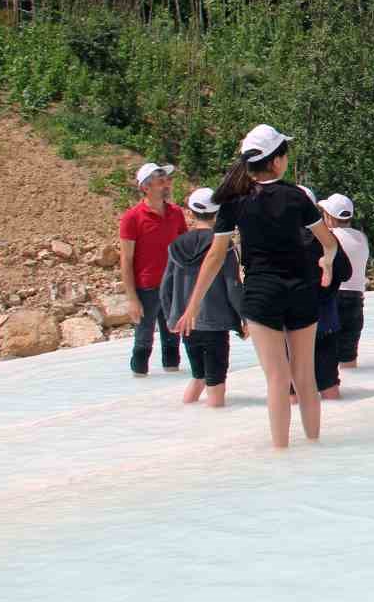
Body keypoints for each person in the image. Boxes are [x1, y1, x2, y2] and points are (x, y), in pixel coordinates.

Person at [174, 125, 339, 449]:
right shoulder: (297, 197)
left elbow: (214, 257)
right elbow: (328, 242)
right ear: (276, 161)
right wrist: (327, 262)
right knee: (304, 378)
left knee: (277, 379)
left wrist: (193, 304)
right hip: (301, 291)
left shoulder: (234, 202)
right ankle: (315, 451)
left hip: (261, 295)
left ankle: (281, 454)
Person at [159, 187, 244, 407]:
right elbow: (233, 285)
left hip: (186, 324)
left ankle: (185, 419)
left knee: (198, 377)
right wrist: (243, 319)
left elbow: (165, 287)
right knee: (216, 383)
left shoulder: (176, 246)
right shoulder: (223, 247)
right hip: (215, 324)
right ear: (218, 213)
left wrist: (172, 318)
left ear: (190, 212)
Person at [119, 161, 188, 375]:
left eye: (167, 180)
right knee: (142, 342)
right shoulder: (132, 218)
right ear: (145, 187)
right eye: (161, 181)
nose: (167, 184)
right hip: (146, 289)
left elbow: (184, 252)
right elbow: (126, 260)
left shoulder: (176, 213)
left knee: (172, 342)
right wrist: (131, 298)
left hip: (172, 287)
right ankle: (139, 382)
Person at [302, 189, 353, 400]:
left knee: (292, 390)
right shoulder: (326, 239)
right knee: (329, 385)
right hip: (325, 320)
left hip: (290, 323)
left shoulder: (275, 242)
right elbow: (346, 273)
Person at [319, 193, 369, 370]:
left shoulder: (328, 237)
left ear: (330, 216)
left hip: (333, 298)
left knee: (326, 360)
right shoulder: (362, 238)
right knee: (348, 359)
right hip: (356, 301)